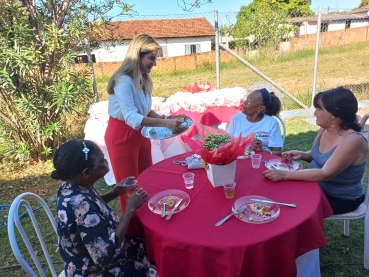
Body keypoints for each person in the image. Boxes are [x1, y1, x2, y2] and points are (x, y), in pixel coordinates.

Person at [52, 139, 158, 277]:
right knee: (159, 269)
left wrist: (114, 192)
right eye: (102, 161)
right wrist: (129, 210)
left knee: (153, 247)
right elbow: (106, 255)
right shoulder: (79, 207)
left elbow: (91, 205)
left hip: (103, 249)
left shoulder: (72, 185)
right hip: (97, 269)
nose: (106, 161)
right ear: (87, 173)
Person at [104, 34, 181, 212]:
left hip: (140, 133)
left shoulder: (144, 79)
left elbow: (145, 111)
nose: (154, 63)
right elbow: (131, 117)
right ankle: (132, 232)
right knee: (129, 186)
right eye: (151, 58)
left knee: (146, 179)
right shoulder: (123, 80)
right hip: (121, 135)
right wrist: (164, 125)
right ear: (138, 56)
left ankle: (147, 223)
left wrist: (162, 118)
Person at [263, 87, 368, 215]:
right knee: (278, 193)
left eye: (319, 108)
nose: (315, 113)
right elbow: (319, 155)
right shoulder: (325, 129)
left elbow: (325, 173)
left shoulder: (353, 140)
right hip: (315, 187)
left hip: (340, 198)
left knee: (289, 208)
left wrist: (283, 174)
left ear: (334, 115)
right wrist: (303, 154)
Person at [227, 88, 283, 156]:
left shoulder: (272, 123)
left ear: (261, 108)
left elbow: (278, 153)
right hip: (238, 159)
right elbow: (227, 141)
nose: (245, 102)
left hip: (260, 161)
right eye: (247, 98)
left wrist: (262, 150)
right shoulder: (237, 118)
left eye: (250, 100)